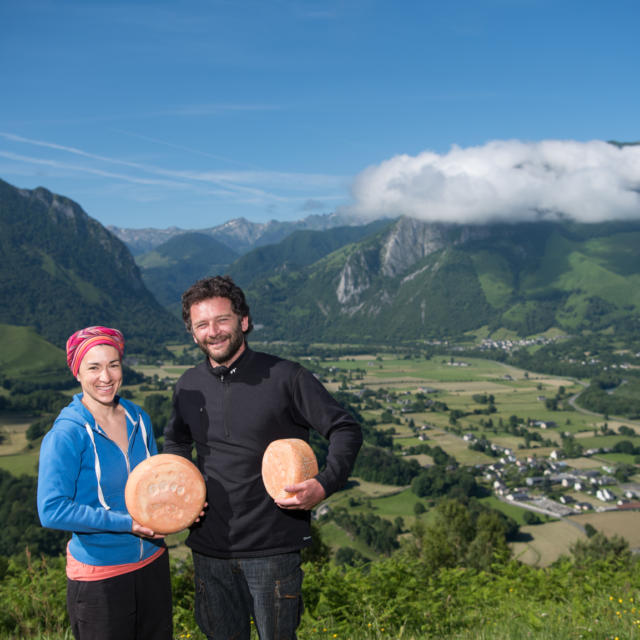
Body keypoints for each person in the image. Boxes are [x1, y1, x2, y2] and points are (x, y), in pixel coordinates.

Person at [163, 275, 363, 640]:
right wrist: (182, 495)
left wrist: (324, 483)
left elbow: (344, 428)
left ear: (243, 321)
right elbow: (176, 445)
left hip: (273, 549)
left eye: (222, 320)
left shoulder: (286, 376)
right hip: (209, 549)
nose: (214, 331)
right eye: (202, 325)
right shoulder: (187, 386)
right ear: (193, 334)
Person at [37, 326, 173, 640]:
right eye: (94, 367)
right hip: (101, 576)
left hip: (153, 563)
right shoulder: (66, 434)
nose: (106, 376)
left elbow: (152, 481)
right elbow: (51, 510)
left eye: (113, 364)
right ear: (77, 373)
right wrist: (126, 524)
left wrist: (181, 504)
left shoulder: (139, 418)